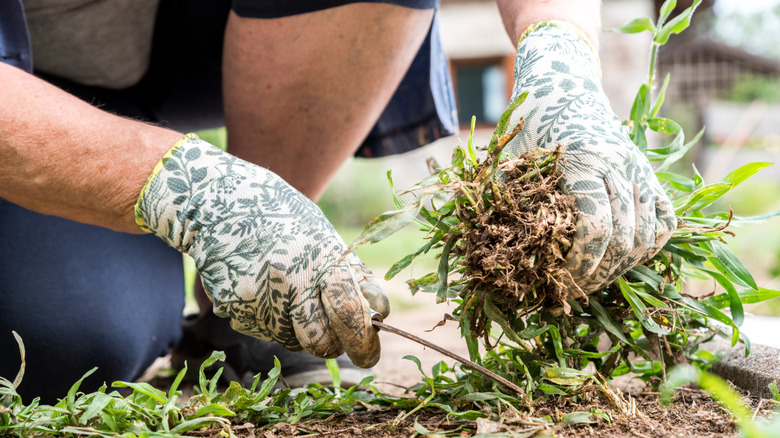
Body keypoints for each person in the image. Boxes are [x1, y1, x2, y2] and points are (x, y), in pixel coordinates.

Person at [0, 0, 675, 403]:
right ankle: (223, 232)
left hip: (195, 41)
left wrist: (560, 57)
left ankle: (251, 309)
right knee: (62, 342)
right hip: (21, 89)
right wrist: (187, 189)